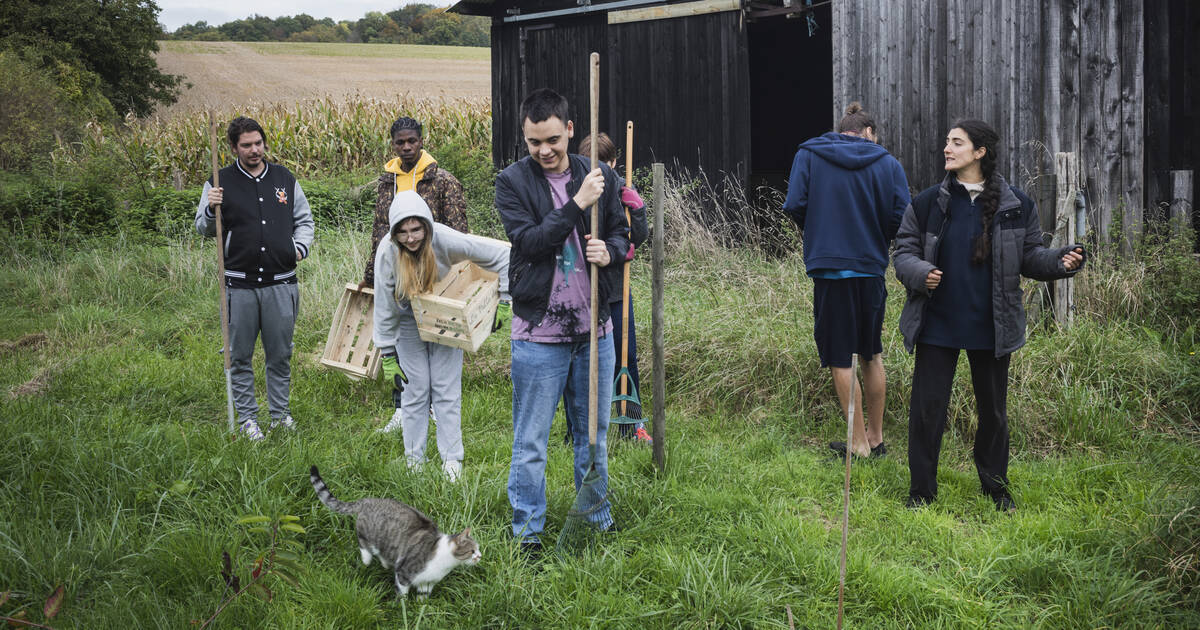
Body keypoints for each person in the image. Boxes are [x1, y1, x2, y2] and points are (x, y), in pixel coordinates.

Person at [893, 119, 1086, 511]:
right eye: (947, 141)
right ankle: (921, 492)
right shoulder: (928, 202)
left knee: (993, 413)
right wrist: (919, 274)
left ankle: (996, 489)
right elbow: (903, 253)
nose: (947, 148)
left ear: (979, 152)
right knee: (928, 412)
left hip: (992, 326)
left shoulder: (1016, 204)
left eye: (957, 143)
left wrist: (1059, 261)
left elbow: (1030, 255)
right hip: (937, 324)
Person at [496, 88, 631, 553]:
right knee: (530, 441)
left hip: (595, 330)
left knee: (593, 438)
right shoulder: (512, 181)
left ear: (570, 129)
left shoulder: (601, 177)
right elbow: (530, 242)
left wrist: (609, 251)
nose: (544, 150)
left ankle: (595, 520)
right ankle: (528, 534)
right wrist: (576, 204)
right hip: (538, 335)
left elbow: (624, 232)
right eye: (534, 142)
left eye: (552, 139)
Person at [782, 102, 911, 459]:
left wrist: (821, 231)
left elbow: (795, 204)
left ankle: (857, 446)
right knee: (871, 353)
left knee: (841, 357)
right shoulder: (888, 164)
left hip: (830, 270)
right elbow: (903, 219)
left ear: (842, 131)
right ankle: (875, 438)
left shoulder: (809, 155)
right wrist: (875, 238)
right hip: (870, 268)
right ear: (870, 133)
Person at [373, 190, 509, 482]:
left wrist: (506, 300)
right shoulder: (387, 252)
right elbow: (384, 305)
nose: (411, 238)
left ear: (427, 226)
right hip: (409, 319)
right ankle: (414, 461)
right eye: (403, 232)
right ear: (394, 232)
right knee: (415, 390)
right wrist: (387, 354)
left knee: (446, 390)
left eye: (416, 229)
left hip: (445, 312)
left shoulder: (444, 239)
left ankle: (451, 460)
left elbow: (503, 254)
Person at [195, 116, 315, 441]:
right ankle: (248, 420)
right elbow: (202, 228)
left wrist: (299, 248)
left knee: (280, 354)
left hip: (281, 283)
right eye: (246, 145)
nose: (254, 150)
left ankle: (280, 416)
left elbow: (304, 220)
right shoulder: (219, 182)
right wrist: (210, 209)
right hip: (238, 285)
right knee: (240, 356)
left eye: (258, 143)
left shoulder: (283, 178)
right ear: (234, 147)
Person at [567, 132, 651, 445]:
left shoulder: (621, 191)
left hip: (615, 288)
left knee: (625, 356)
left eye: (604, 164)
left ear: (614, 162)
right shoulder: (574, 189)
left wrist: (637, 209)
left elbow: (636, 238)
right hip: (579, 289)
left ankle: (632, 426)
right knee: (576, 359)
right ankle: (574, 429)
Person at [361, 116, 469, 290]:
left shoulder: (442, 181)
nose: (406, 147)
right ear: (393, 145)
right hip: (397, 271)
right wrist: (371, 275)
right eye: (400, 142)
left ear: (421, 141)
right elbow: (380, 231)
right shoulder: (387, 183)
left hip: (435, 271)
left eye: (411, 141)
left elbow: (458, 233)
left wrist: (456, 278)